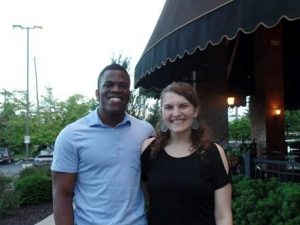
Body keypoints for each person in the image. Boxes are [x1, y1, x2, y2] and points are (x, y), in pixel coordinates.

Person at [51, 63, 155, 225]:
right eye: (108, 85)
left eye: (123, 85)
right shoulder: (70, 136)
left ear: (129, 93)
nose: (116, 89)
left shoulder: (145, 131)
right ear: (97, 93)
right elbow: (62, 195)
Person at [141, 82, 233, 225]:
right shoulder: (150, 150)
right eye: (169, 107)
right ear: (162, 111)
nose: (176, 113)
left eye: (183, 106)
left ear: (195, 111)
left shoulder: (213, 153)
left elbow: (223, 215)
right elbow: (145, 198)